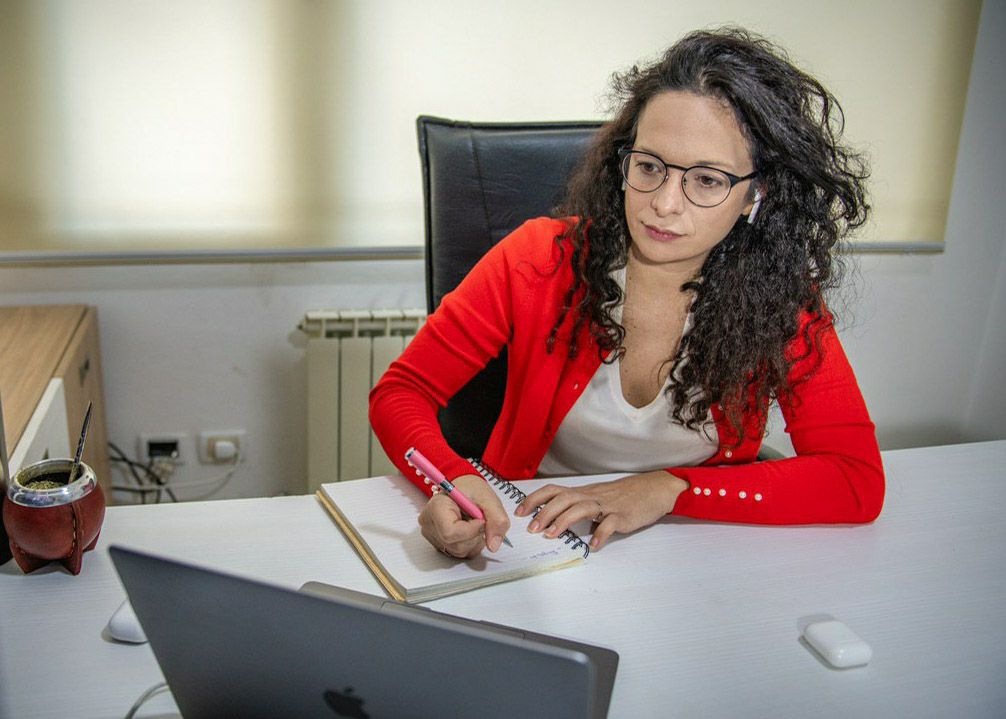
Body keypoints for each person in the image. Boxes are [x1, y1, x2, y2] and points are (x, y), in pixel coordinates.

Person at [370, 27, 884, 559]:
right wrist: (450, 479)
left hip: (695, 547)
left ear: (756, 194)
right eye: (649, 166)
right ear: (624, 161)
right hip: (534, 539)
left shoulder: (784, 301)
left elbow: (855, 480)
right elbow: (400, 393)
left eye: (706, 180)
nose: (663, 204)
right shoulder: (539, 260)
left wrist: (671, 488)